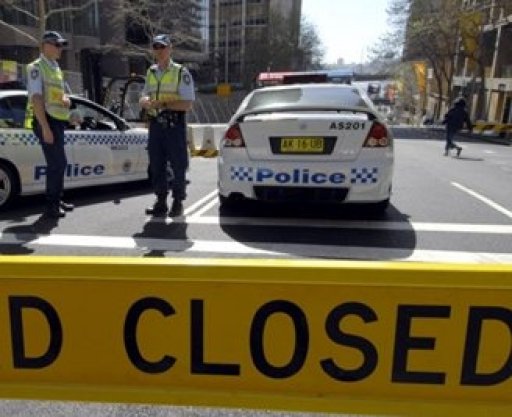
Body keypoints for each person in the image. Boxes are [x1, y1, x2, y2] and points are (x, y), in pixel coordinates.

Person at [139, 34, 195, 217]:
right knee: (157, 164)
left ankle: (178, 201)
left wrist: (162, 104)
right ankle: (161, 201)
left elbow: (187, 104)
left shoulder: (180, 72)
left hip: (174, 124)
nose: (159, 51)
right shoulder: (151, 72)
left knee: (178, 164)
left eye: (163, 47)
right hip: (156, 124)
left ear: (170, 49)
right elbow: (145, 94)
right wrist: (144, 101)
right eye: (156, 47)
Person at [25, 31, 73, 218]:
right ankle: (51, 205)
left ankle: (57, 199)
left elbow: (61, 94)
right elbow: (36, 98)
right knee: (56, 164)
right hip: (46, 120)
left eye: (61, 45)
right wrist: (45, 127)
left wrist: (66, 100)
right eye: (57, 44)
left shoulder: (55, 67)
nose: (60, 48)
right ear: (45, 45)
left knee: (59, 164)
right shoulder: (36, 67)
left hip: (58, 120)